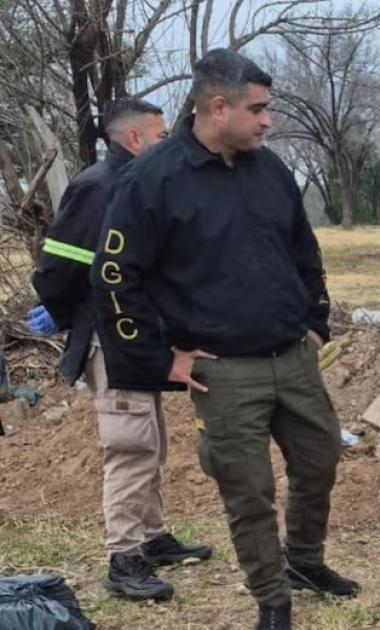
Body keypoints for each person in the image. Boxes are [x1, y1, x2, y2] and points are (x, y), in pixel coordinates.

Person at [90, 49, 354, 630]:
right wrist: (161, 359)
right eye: (257, 110)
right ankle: (272, 600)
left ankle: (305, 562)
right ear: (217, 106)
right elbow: (114, 278)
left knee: (320, 461)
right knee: (248, 489)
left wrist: (316, 318)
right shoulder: (151, 179)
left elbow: (303, 249)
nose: (266, 121)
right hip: (223, 369)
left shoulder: (272, 170)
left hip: (293, 354)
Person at [28, 98, 212, 602]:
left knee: (149, 441)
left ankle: (151, 537)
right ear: (132, 140)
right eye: (158, 136)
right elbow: (56, 272)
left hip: (141, 340)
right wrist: (77, 318)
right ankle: (124, 556)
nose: (167, 145)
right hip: (109, 340)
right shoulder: (97, 188)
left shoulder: (140, 187)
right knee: (129, 446)